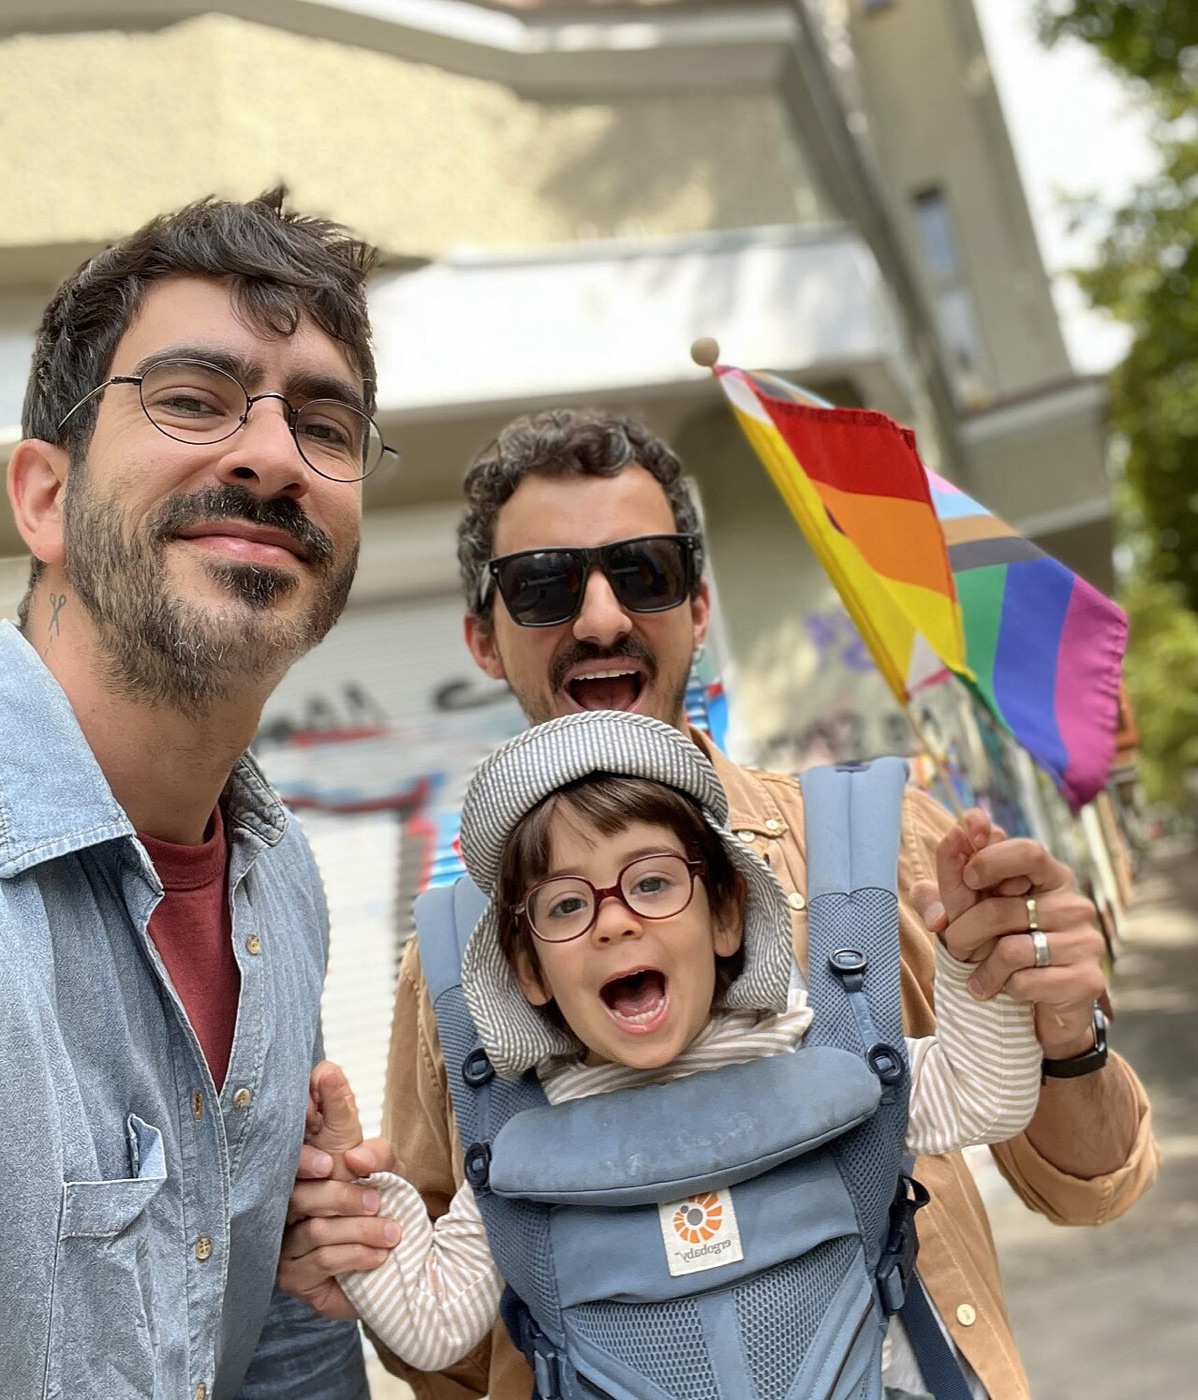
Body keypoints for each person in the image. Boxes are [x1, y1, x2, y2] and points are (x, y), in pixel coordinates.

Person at [280, 410, 1158, 1400]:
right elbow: (448, 1347)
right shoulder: (449, 968)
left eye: (643, 570)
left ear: (700, 603)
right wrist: (368, 1239)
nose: (603, 616)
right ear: (485, 637)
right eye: (543, 585)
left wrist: (1054, 1029)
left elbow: (1089, 1184)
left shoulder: (875, 848)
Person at [307, 708, 1043, 1398]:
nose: (615, 923)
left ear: (726, 913)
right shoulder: (524, 1158)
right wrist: (367, 1205)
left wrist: (973, 956)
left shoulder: (821, 1062)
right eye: (567, 904)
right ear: (528, 971)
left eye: (652, 882)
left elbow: (993, 1096)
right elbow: (432, 1327)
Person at [0, 189, 399, 1399]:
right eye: (191, 399)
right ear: (46, 497)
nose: (273, 453)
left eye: (325, 424)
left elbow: (271, 1342)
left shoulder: (279, 882)